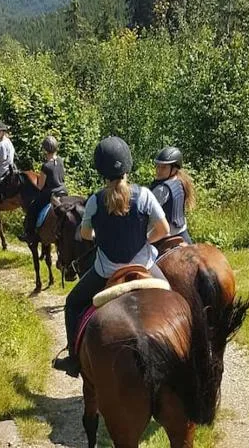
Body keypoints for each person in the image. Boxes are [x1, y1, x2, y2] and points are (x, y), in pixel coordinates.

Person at [53, 136, 170, 378]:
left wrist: (99, 234)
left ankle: (74, 360)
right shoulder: (146, 195)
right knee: (174, 299)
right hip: (145, 266)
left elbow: (85, 234)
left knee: (73, 303)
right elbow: (164, 230)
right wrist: (142, 241)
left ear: (101, 171)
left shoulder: (95, 200)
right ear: (128, 166)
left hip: (107, 272)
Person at [18, 135, 68, 243]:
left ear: (45, 149)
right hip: (63, 191)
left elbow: (40, 186)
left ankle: (29, 234)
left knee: (32, 209)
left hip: (51, 194)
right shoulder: (60, 160)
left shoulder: (45, 166)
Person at [149, 146, 196, 245]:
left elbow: (147, 214)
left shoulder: (162, 189)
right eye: (158, 166)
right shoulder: (180, 182)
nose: (158, 170)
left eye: (164, 167)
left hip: (163, 237)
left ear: (174, 169)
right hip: (183, 235)